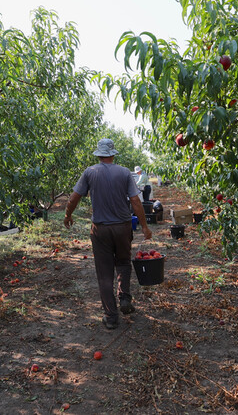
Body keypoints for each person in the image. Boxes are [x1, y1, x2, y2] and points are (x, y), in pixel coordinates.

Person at [64, 138, 152, 330]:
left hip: (101, 229)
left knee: (104, 273)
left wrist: (68, 215)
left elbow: (74, 197)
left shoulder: (90, 172)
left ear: (98, 154)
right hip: (123, 227)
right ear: (113, 154)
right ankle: (125, 298)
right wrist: (144, 226)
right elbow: (136, 201)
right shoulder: (124, 172)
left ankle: (111, 316)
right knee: (123, 262)